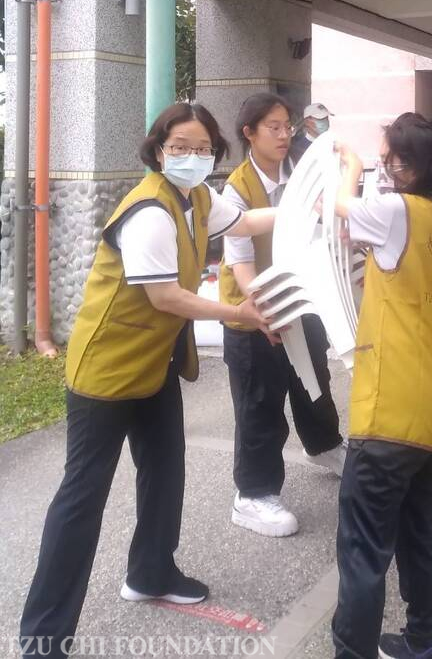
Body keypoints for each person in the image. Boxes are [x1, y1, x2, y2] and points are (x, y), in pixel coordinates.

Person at [20, 103, 278, 658]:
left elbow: (246, 222)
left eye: (202, 147)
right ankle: (42, 638)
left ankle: (151, 571)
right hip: (107, 371)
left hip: (155, 364)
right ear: (159, 150)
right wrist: (239, 313)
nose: (191, 156)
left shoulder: (198, 197)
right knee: (82, 498)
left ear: (215, 153)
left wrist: (311, 210)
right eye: (179, 146)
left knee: (164, 471)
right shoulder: (150, 211)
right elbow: (166, 297)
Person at [327, 114, 432, 659]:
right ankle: (422, 641)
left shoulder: (393, 210)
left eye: (390, 160)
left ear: (412, 166)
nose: (385, 169)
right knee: (419, 534)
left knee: (362, 548)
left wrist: (351, 165)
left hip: (392, 409)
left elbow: (337, 206)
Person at [219, 93, 346, 539]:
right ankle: (253, 495)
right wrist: (265, 310)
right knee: (260, 402)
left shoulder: (300, 174)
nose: (283, 134)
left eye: (286, 125)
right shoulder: (236, 188)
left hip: (300, 299)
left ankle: (325, 446)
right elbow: (240, 262)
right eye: (272, 127)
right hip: (253, 311)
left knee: (314, 385)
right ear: (249, 133)